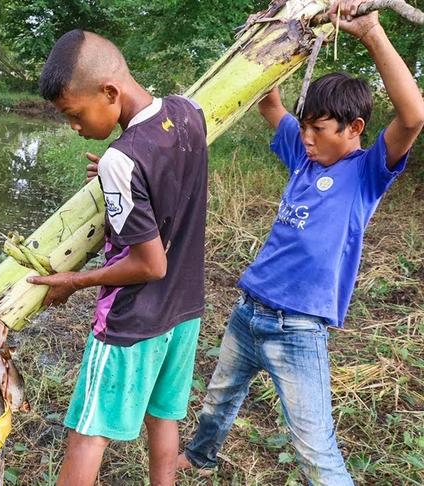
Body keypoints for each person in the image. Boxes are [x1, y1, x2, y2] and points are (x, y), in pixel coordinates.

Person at [178, 1, 424, 484]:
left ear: (354, 129)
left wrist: (370, 32)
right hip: (249, 311)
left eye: (319, 129)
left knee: (313, 446)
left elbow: (412, 116)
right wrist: (263, 36)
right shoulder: (304, 156)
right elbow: (270, 102)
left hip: (299, 328)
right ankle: (200, 456)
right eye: (305, 126)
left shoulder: (366, 173)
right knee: (218, 398)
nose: (306, 137)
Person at [27, 29, 209, 486]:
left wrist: (76, 280)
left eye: (74, 113)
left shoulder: (122, 160)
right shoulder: (188, 112)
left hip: (134, 318)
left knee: (88, 433)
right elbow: (168, 173)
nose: (73, 126)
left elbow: (150, 264)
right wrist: (119, 178)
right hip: (185, 311)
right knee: (163, 417)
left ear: (109, 92)